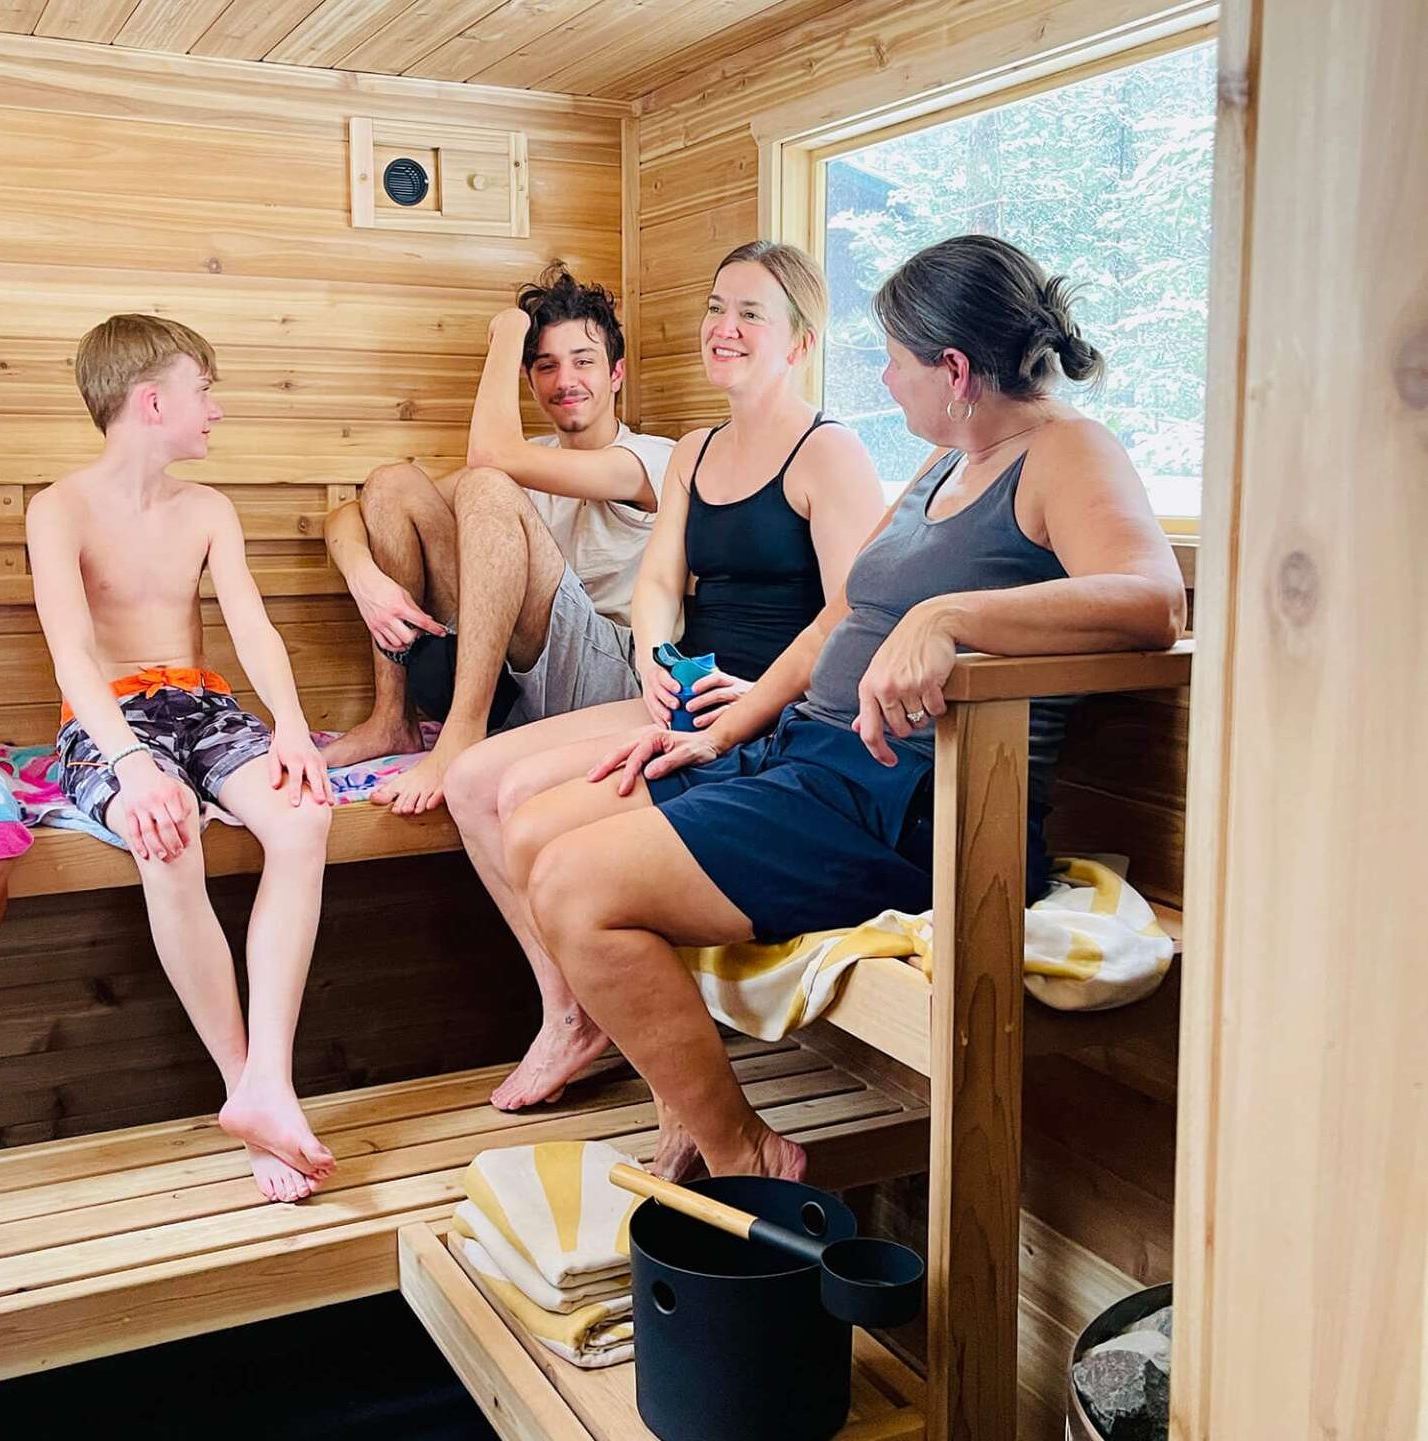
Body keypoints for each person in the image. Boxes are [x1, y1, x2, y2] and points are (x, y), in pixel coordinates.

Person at [498, 235, 1188, 1180]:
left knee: (579, 889)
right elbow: (846, 612)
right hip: (801, 756)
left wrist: (949, 617)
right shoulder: (950, 461)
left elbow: (1154, 601)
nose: (884, 377)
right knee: (534, 834)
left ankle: (747, 1153)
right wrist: (727, 724)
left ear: (951, 368)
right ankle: (687, 1114)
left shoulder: (1065, 452)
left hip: (901, 800)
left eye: (894, 358)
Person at [443, 241, 884, 1114]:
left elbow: (849, 610)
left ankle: (636, 1043)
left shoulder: (829, 452)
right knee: (470, 778)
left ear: (798, 342)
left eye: (749, 314)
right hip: (679, 688)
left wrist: (748, 707)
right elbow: (658, 580)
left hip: (762, 707)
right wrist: (649, 656)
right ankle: (569, 1010)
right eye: (717, 307)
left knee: (526, 797)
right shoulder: (692, 451)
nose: (723, 327)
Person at [27, 314, 338, 1204]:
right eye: (205, 390)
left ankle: (268, 1085)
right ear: (152, 400)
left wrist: (287, 721)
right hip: (108, 719)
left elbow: (252, 624)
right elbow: (71, 652)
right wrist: (129, 764)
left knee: (304, 814)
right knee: (167, 838)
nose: (218, 410)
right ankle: (244, 1087)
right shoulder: (59, 509)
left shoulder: (208, 509)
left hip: (201, 703)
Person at [320, 265, 674, 814]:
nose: (566, 381)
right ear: (530, 381)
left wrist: (510, 330)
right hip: (517, 673)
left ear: (617, 374)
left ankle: (461, 733)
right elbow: (353, 512)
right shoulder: (528, 456)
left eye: (584, 362)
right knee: (393, 484)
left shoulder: (652, 460)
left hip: (614, 680)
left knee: (486, 485)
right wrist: (362, 575)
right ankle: (393, 720)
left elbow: (489, 459)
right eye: (546, 365)